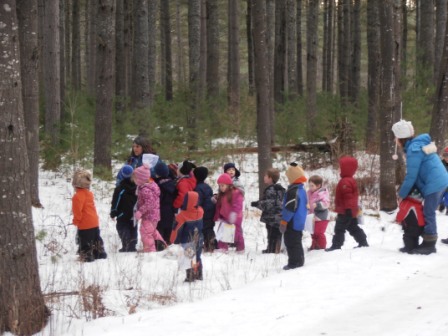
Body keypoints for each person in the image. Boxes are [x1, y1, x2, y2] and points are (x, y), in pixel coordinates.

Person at [392, 119, 448, 254]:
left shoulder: (414, 150)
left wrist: (402, 194)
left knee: (429, 212)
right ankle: (425, 240)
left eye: (395, 137)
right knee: (428, 211)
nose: (395, 140)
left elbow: (411, 176)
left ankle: (429, 244)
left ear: (400, 138)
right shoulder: (416, 145)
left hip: (435, 184)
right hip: (439, 181)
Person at [325, 156, 369, 252]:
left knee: (339, 228)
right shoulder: (349, 180)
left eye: (340, 167)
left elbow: (348, 197)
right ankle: (363, 242)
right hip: (350, 210)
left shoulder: (345, 181)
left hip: (346, 210)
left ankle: (336, 245)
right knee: (352, 227)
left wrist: (348, 209)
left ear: (346, 168)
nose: (338, 169)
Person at [72, 169, 107, 262]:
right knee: (96, 238)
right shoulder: (89, 194)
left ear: (75, 185)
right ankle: (100, 253)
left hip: (85, 224)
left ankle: (86, 256)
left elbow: (77, 211)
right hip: (94, 221)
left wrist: (76, 221)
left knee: (85, 241)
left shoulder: (77, 197)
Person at [279, 163, 308, 270]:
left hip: (292, 220)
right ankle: (300, 260)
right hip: (299, 220)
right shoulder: (302, 190)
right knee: (297, 241)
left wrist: (284, 221)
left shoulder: (293, 191)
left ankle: (293, 263)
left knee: (290, 242)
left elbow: (290, 208)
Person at [170, 191, 204, 282]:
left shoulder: (182, 216)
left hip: (187, 241)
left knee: (189, 258)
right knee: (197, 256)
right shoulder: (200, 211)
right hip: (200, 238)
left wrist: (173, 240)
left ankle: (191, 276)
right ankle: (199, 274)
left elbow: (176, 229)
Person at [250, 168, 285, 254]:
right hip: (278, 216)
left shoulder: (271, 190)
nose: (264, 177)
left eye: (266, 175)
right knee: (276, 233)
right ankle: (275, 248)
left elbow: (269, 204)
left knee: (272, 233)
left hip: (272, 217)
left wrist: (257, 204)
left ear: (270, 178)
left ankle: (272, 249)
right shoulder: (279, 189)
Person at [133, 164, 165, 252]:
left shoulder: (145, 190)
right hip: (153, 215)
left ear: (141, 179)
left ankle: (150, 252)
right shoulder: (149, 185)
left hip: (149, 216)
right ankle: (162, 245)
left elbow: (149, 204)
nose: (134, 180)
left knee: (146, 233)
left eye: (135, 178)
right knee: (152, 231)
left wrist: (140, 211)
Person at [214, 173, 245, 252]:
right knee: (223, 232)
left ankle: (240, 248)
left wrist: (234, 214)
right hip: (225, 217)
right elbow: (219, 206)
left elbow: (238, 204)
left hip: (236, 217)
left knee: (236, 233)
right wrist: (217, 215)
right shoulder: (222, 194)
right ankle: (223, 247)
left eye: (222, 185)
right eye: (220, 186)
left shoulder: (236, 192)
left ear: (228, 185)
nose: (221, 188)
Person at [110, 165, 138, 252]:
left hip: (123, 213)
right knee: (133, 227)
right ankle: (132, 245)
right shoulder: (137, 186)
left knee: (122, 226)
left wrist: (113, 212)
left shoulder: (120, 188)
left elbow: (116, 201)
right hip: (134, 212)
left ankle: (127, 245)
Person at [153, 161, 177, 250]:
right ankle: (168, 244)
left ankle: (159, 247)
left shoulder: (157, 185)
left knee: (160, 228)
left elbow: (158, 198)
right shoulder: (173, 183)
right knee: (169, 228)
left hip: (160, 209)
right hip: (170, 209)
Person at [193, 166, 217, 252]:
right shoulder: (207, 186)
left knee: (204, 228)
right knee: (209, 228)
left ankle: (209, 245)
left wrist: (195, 206)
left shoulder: (198, 188)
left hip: (204, 211)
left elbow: (198, 200)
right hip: (211, 209)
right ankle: (212, 244)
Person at [395, 188, 425, 254]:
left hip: (412, 226)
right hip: (420, 226)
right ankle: (415, 246)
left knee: (408, 236)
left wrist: (397, 220)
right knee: (415, 237)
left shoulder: (407, 203)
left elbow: (402, 213)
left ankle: (408, 248)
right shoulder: (419, 204)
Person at [307, 175, 331, 250]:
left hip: (322, 217)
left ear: (318, 185)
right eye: (309, 186)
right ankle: (314, 246)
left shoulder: (322, 193)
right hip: (313, 216)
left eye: (312, 186)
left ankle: (321, 248)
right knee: (313, 233)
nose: (310, 188)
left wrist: (317, 205)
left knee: (319, 233)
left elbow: (326, 203)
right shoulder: (309, 193)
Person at [438, 147, 448, 214]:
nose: (447, 158)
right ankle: (442, 204)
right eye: (445, 156)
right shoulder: (440, 163)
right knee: (439, 197)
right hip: (441, 184)